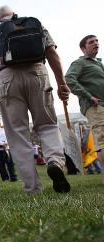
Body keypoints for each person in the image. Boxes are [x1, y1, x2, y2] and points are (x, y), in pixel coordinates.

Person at [0, 6, 71, 193]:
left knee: (17, 134)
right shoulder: (33, 23)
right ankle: (54, 161)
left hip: (6, 79)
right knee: (47, 124)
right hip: (37, 73)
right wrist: (62, 83)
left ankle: (33, 187)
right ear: (13, 15)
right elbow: (52, 53)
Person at [65, 35, 104, 184]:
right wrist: (88, 96)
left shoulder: (99, 63)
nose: (96, 43)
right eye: (91, 42)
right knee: (102, 138)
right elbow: (69, 78)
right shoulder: (80, 62)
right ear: (83, 48)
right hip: (95, 106)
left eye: (97, 41)